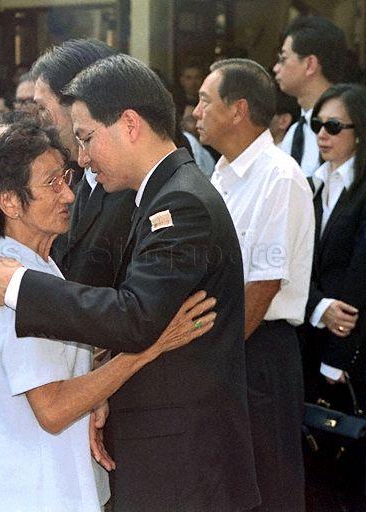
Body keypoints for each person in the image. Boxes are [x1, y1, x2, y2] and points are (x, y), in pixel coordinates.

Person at [0, 54, 260, 511]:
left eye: (87, 137)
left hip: (182, 460)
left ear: (129, 124)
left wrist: (20, 288)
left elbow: (136, 317)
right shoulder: (164, 193)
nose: (83, 158)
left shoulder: (179, 202)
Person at [194, 58, 314, 511]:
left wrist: (210, 359)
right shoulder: (221, 174)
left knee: (270, 487)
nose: (196, 111)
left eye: (205, 101)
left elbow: (261, 289)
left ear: (238, 110)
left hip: (258, 351)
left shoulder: (278, 178)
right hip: (226, 346)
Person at [303, 82, 366, 511]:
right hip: (310, 337)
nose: (322, 134)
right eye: (317, 125)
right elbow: (294, 265)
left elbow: (360, 276)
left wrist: (337, 359)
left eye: (333, 126)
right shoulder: (312, 184)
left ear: (359, 132)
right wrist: (317, 307)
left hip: (352, 351)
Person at [31, 39, 136, 288]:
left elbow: (136, 301)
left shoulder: (134, 189)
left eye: (43, 108)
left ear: (78, 103)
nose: (39, 122)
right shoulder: (74, 179)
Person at [274, 16, 347, 176]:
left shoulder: (346, 129)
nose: (276, 68)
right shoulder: (293, 133)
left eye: (283, 59)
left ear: (310, 64)